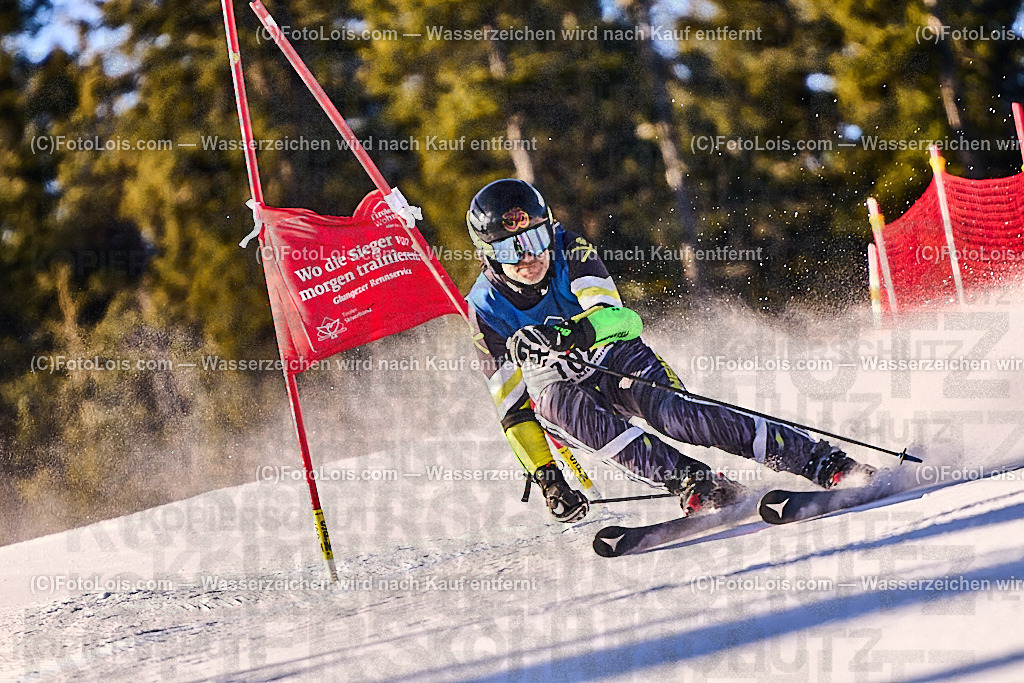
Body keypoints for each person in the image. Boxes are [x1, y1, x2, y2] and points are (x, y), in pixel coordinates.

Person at [464, 178, 873, 523]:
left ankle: (819, 460)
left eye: (535, 239)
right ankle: (692, 480)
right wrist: (548, 478)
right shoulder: (483, 308)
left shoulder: (570, 250)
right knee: (554, 406)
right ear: (489, 255)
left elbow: (622, 321)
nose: (529, 257)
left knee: (677, 416)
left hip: (612, 357)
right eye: (509, 250)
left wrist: (570, 335)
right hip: (561, 388)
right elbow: (514, 410)